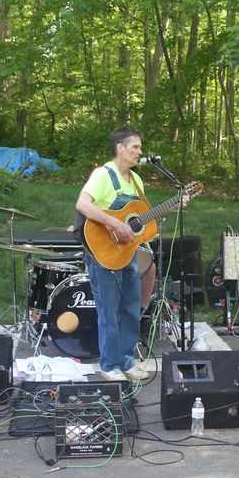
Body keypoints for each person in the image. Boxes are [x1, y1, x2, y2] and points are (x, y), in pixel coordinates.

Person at [76, 127, 188, 382]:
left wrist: (175, 203)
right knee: (109, 312)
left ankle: (127, 360)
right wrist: (116, 224)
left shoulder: (136, 181)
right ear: (120, 148)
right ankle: (109, 364)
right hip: (102, 252)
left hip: (128, 253)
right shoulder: (103, 174)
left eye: (140, 147)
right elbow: (83, 204)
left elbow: (144, 216)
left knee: (129, 309)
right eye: (135, 147)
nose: (140, 151)